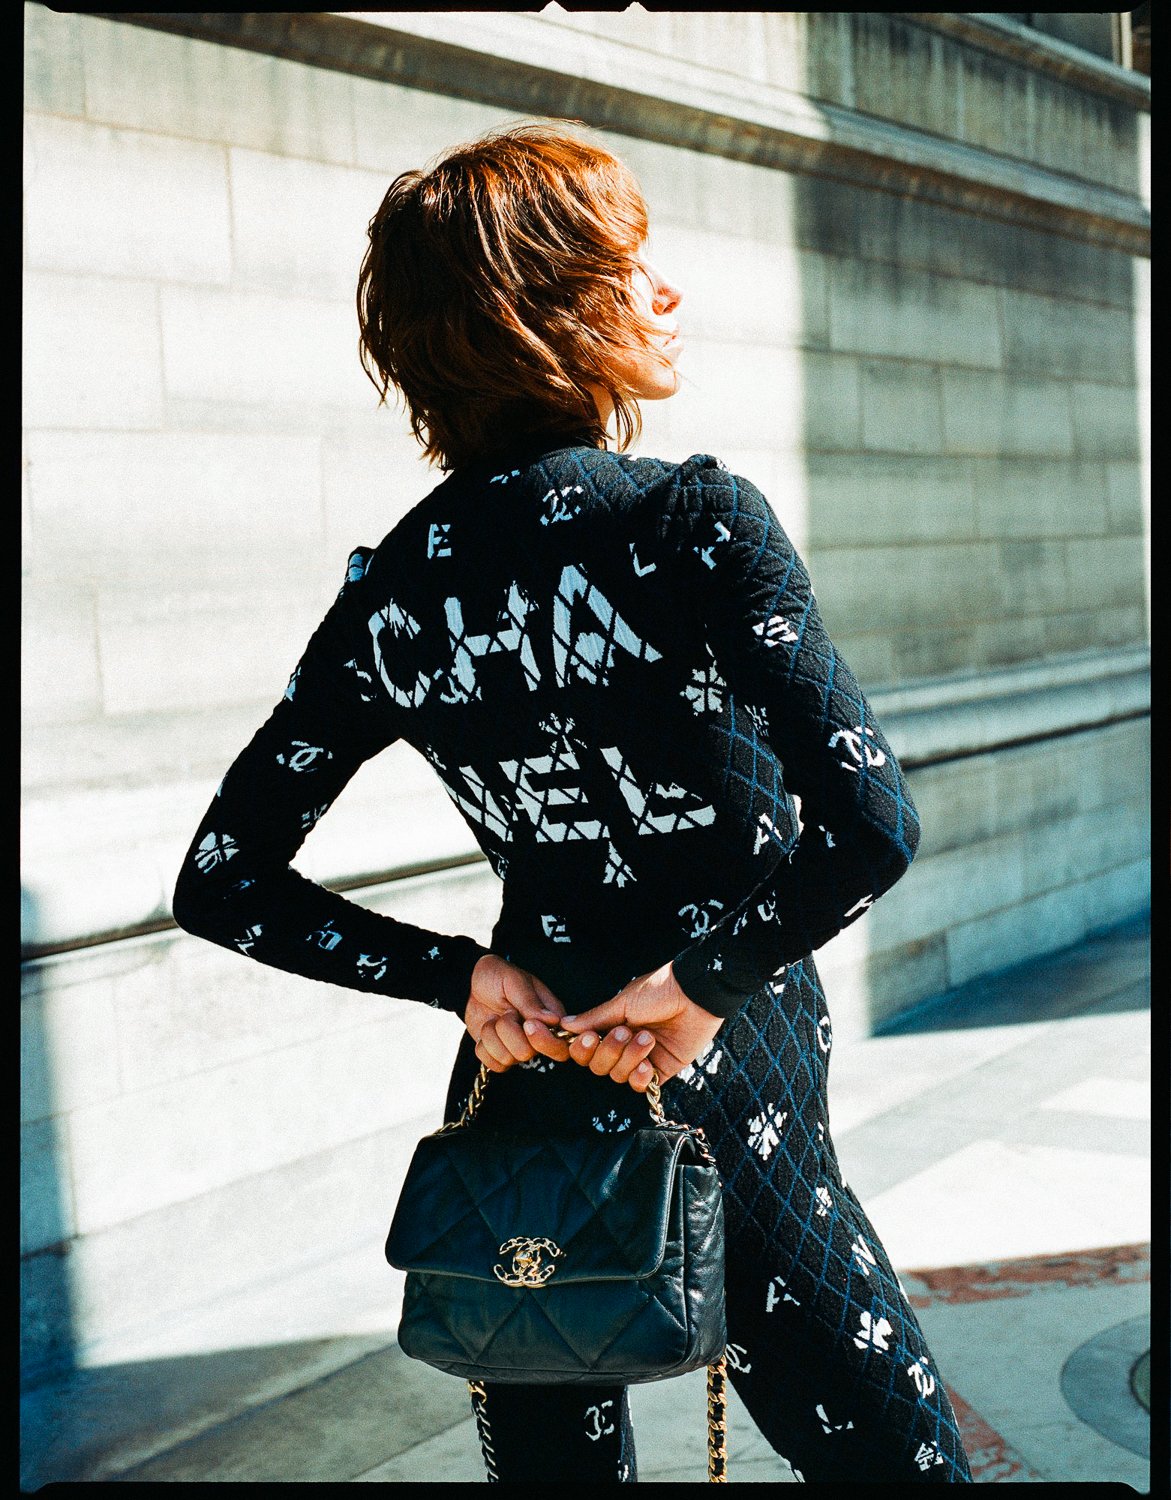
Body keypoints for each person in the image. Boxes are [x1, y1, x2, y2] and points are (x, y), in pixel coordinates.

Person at [172, 119, 972, 1484]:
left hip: (523, 1074)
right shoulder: (693, 521)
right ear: (546, 310)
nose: (666, 296)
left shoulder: (397, 588)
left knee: (548, 1464)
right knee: (891, 1460)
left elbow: (222, 880)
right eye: (633, 266)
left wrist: (464, 980)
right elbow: (870, 829)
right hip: (725, 1068)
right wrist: (706, 979)